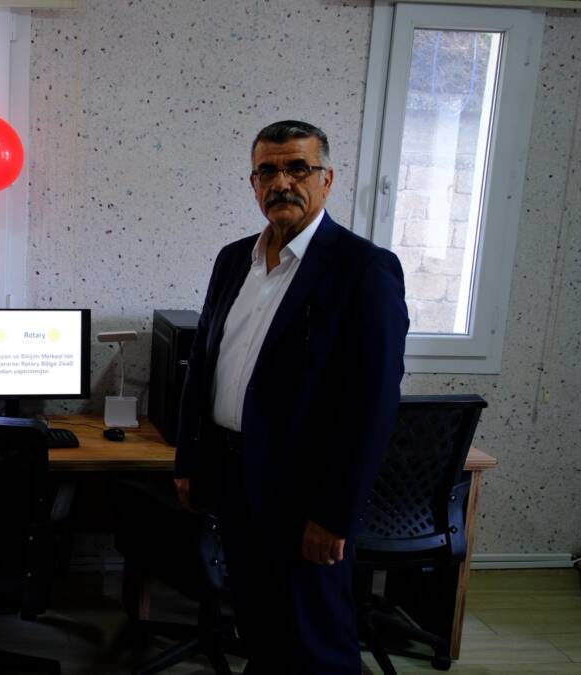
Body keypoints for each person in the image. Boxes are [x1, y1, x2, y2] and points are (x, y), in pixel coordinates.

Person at [173, 120, 409, 672]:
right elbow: (202, 366)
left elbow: (370, 409)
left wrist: (334, 515)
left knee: (315, 639)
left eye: (298, 168)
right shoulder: (234, 259)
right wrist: (188, 459)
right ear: (253, 184)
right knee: (258, 623)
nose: (282, 182)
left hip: (305, 493)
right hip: (233, 477)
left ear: (327, 179)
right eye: (268, 171)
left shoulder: (363, 269)